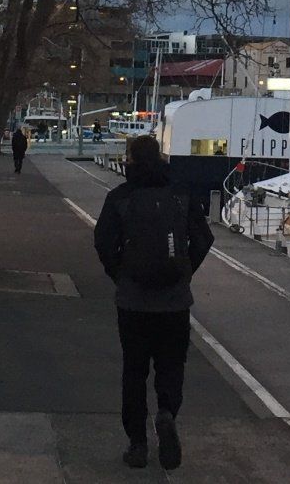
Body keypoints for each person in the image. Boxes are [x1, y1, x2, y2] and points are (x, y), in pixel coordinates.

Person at [93, 135, 213, 471]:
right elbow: (204, 237)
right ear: (159, 158)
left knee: (134, 371)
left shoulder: (120, 198)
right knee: (172, 366)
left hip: (132, 302)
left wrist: (120, 274)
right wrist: (185, 271)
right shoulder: (180, 195)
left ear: (130, 160)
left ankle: (137, 443)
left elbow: (102, 241)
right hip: (174, 302)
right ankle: (166, 412)